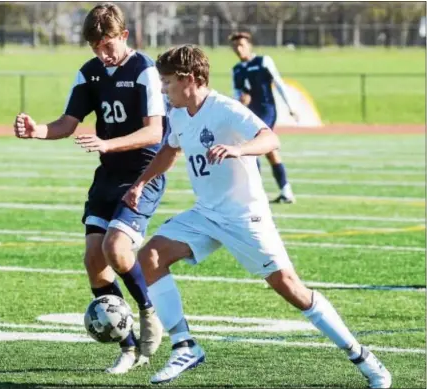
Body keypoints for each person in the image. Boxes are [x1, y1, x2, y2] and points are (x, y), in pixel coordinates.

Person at [122, 45, 392, 388]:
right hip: (206, 213)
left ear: (189, 79)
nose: (163, 89)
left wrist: (238, 148)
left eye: (168, 82)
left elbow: (270, 137)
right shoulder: (177, 114)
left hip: (244, 217)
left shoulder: (225, 110)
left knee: (291, 288)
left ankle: (363, 357)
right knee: (150, 255)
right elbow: (169, 151)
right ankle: (184, 345)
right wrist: (141, 183)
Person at [13, 3, 164, 375]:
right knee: (94, 260)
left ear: (124, 36)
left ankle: (148, 310)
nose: (102, 53)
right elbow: (67, 123)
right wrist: (38, 131)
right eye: (96, 47)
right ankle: (127, 347)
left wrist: (109, 144)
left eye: (108, 45)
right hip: (108, 174)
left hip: (144, 173)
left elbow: (155, 132)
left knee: (116, 247)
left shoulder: (145, 70)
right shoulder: (90, 73)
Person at [229, 31, 296, 204]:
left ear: (249, 45)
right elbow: (237, 94)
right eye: (235, 46)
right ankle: (286, 191)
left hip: (267, 110)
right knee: (270, 152)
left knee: (254, 147)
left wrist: (291, 107)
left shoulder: (263, 61)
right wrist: (241, 101)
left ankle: (256, 193)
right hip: (251, 113)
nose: (238, 49)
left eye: (241, 45)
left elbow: (279, 83)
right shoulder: (236, 70)